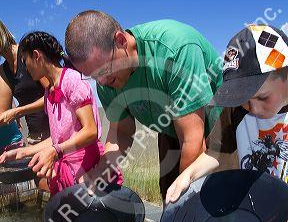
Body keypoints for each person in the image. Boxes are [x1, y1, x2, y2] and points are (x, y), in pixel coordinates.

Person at [64, 10, 223, 200]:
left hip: (219, 128)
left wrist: (180, 206)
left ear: (121, 40)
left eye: (105, 70)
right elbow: (121, 132)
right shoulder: (106, 83)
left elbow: (193, 139)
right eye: (93, 76)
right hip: (171, 128)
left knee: (216, 200)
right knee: (169, 195)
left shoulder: (174, 48)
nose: (103, 82)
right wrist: (100, 173)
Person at [166, 24, 288, 222]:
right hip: (254, 215)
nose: (253, 108)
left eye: (262, 97)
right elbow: (216, 153)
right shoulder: (235, 112)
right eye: (244, 100)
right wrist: (188, 175)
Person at [0, 31, 107, 195]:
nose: (25, 67)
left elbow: (90, 131)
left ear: (36, 56)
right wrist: (23, 152)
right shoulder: (49, 92)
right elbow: (58, 139)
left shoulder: (72, 81)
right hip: (67, 170)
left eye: (25, 60)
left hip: (85, 168)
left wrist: (56, 151)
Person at [0, 20, 50, 189]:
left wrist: (18, 112)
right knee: (40, 183)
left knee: (57, 184)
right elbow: (3, 112)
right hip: (35, 135)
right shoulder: (4, 70)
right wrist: (12, 114)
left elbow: (54, 95)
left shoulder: (28, 53)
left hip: (54, 132)